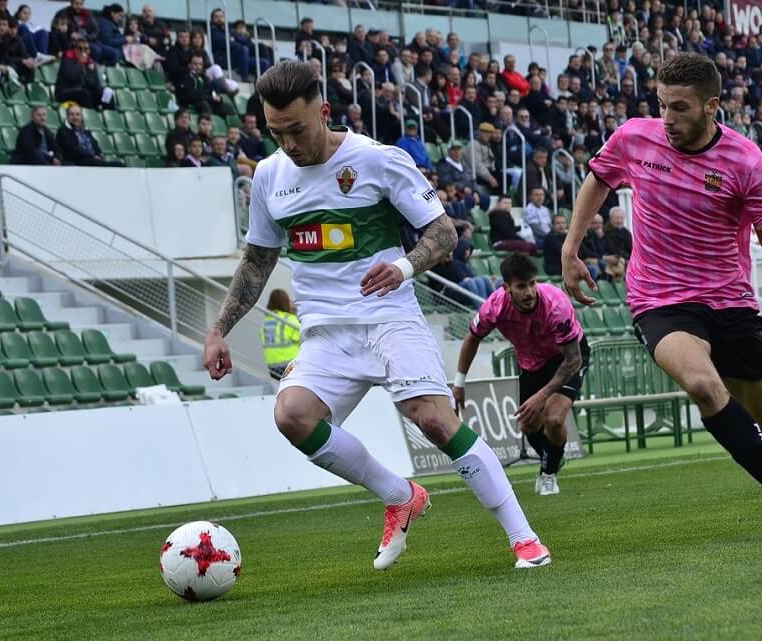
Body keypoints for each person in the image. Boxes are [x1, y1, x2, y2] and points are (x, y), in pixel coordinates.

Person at [203, 61, 550, 571]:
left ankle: (524, 538)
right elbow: (258, 261)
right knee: (291, 416)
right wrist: (218, 330)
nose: (289, 145)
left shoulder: (377, 160)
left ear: (324, 112)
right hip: (325, 331)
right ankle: (399, 495)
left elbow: (444, 233)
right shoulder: (269, 177)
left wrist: (404, 266)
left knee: (432, 419)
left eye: (297, 130)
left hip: (389, 316)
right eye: (277, 133)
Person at [562, 53, 762, 538]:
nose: (667, 118)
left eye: (680, 108)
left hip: (729, 301)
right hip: (659, 299)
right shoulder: (634, 137)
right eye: (662, 105)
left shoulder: (745, 162)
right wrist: (571, 246)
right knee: (703, 386)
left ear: (712, 106)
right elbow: (598, 179)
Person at [454, 253, 590, 496]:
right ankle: (554, 457)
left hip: (565, 357)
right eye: (521, 286)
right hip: (531, 362)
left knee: (554, 418)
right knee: (528, 423)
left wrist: (542, 395)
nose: (529, 292)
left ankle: (548, 475)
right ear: (506, 288)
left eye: (532, 284)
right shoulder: (494, 307)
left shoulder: (556, 304)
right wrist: (459, 383)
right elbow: (472, 338)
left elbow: (574, 359)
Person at [54, 39, 114, 108]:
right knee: (85, 94)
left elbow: (95, 84)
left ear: (89, 51)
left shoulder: (90, 63)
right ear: (75, 49)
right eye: (80, 48)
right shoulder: (67, 60)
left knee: (107, 93)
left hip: (83, 91)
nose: (83, 51)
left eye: (85, 48)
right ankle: (90, 116)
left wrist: (103, 90)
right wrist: (81, 64)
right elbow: (73, 77)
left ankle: (108, 115)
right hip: (65, 91)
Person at [56, 104, 123, 166]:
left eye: (78, 114)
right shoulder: (63, 130)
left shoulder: (85, 129)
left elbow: (94, 143)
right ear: (67, 116)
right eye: (72, 114)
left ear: (81, 116)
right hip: (78, 160)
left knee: (119, 164)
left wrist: (99, 153)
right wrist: (92, 156)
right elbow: (73, 149)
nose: (75, 117)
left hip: (91, 159)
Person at [261, 288, 301, 379]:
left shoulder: (266, 322)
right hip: (290, 365)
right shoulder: (289, 319)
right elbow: (305, 337)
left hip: (272, 367)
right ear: (285, 302)